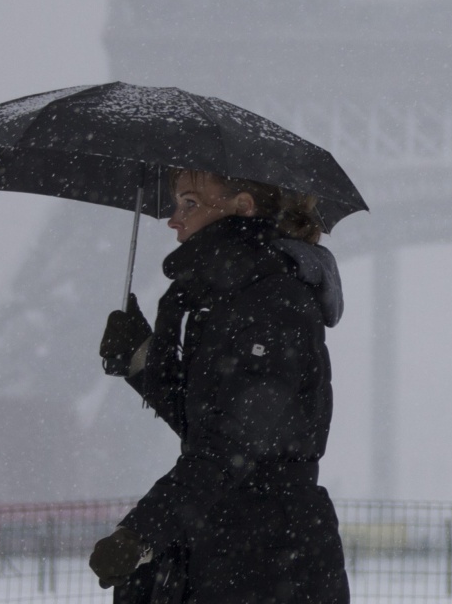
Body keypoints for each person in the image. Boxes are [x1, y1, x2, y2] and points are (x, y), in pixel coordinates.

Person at [89, 168, 350, 603]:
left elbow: (232, 444)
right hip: (245, 546)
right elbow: (209, 426)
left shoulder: (271, 302)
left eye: (189, 203)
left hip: (264, 555)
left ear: (242, 206)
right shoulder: (224, 300)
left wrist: (142, 531)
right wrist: (139, 358)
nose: (173, 219)